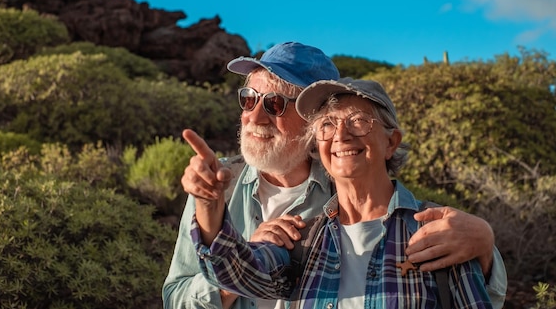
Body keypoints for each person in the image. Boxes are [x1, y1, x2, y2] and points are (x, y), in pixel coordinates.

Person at [162, 42, 507, 309]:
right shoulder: (226, 186)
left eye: (275, 104)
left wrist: (485, 244)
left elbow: (473, 281)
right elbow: (220, 276)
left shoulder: (401, 219)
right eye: (248, 99)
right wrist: (212, 211)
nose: (255, 116)